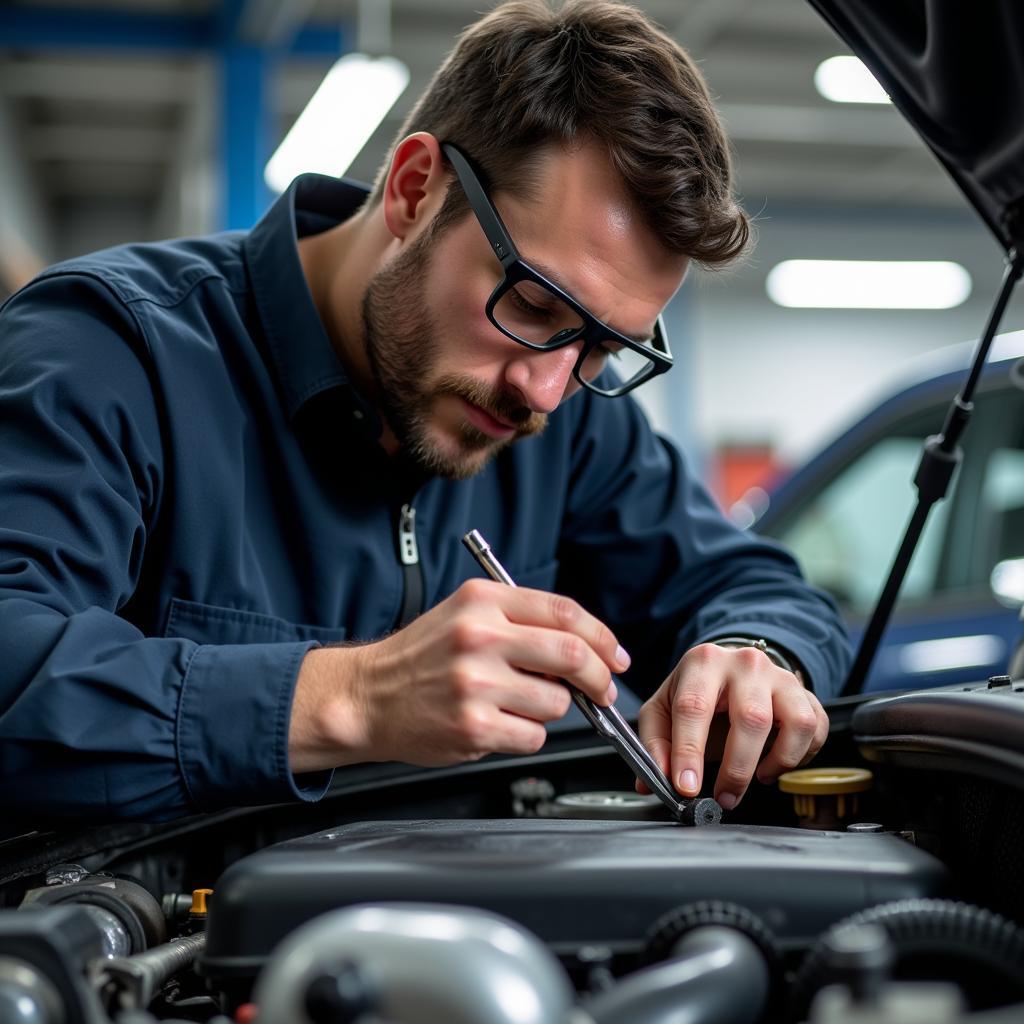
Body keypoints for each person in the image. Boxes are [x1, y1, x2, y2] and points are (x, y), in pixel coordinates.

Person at [0, 0, 849, 823]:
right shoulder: (117, 350)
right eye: (534, 306)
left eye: (600, 348)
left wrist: (757, 656)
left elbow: (754, 585)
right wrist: (355, 696)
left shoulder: (573, 422)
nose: (544, 392)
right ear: (413, 191)